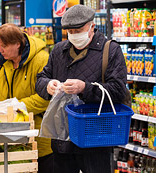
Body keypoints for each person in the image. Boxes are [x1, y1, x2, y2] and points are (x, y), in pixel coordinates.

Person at [35, 4, 127, 173]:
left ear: (92, 26)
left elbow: (118, 90)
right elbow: (40, 79)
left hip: (95, 139)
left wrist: (85, 88)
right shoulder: (58, 51)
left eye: (79, 31)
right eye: (70, 32)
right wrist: (47, 86)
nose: (74, 36)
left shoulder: (110, 50)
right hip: (62, 138)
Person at [0, 23, 53, 172]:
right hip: (10, 137)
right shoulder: (3, 61)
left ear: (17, 44)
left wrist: (18, 106)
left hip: (38, 138)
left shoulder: (41, 60)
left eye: (3, 46)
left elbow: (46, 97)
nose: (0, 50)